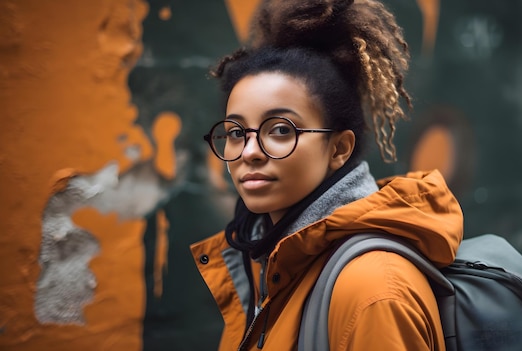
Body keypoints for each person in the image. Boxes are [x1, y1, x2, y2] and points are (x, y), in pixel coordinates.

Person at [190, 0, 464, 350]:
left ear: (339, 149)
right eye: (236, 133)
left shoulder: (373, 289)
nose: (250, 152)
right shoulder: (270, 264)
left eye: (280, 130)